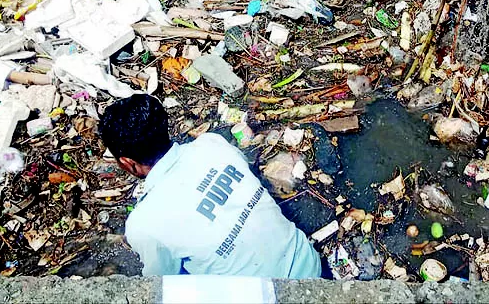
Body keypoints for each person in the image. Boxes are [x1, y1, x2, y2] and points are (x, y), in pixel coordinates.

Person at [99, 94, 322, 278]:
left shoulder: (143, 224)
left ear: (128, 163)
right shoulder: (212, 143)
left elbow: (161, 285)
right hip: (310, 266)